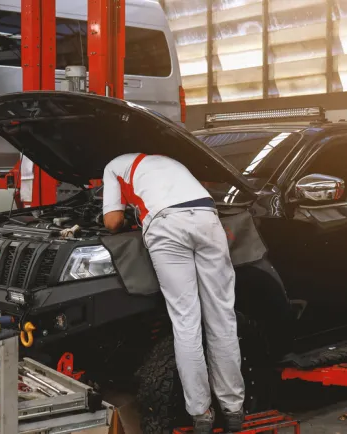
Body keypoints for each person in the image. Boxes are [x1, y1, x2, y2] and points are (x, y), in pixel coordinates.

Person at [101, 153, 245, 434]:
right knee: (222, 318)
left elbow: (112, 222)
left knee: (186, 322)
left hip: (167, 225)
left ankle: (201, 414)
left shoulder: (113, 166)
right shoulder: (173, 161)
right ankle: (233, 411)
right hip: (207, 220)